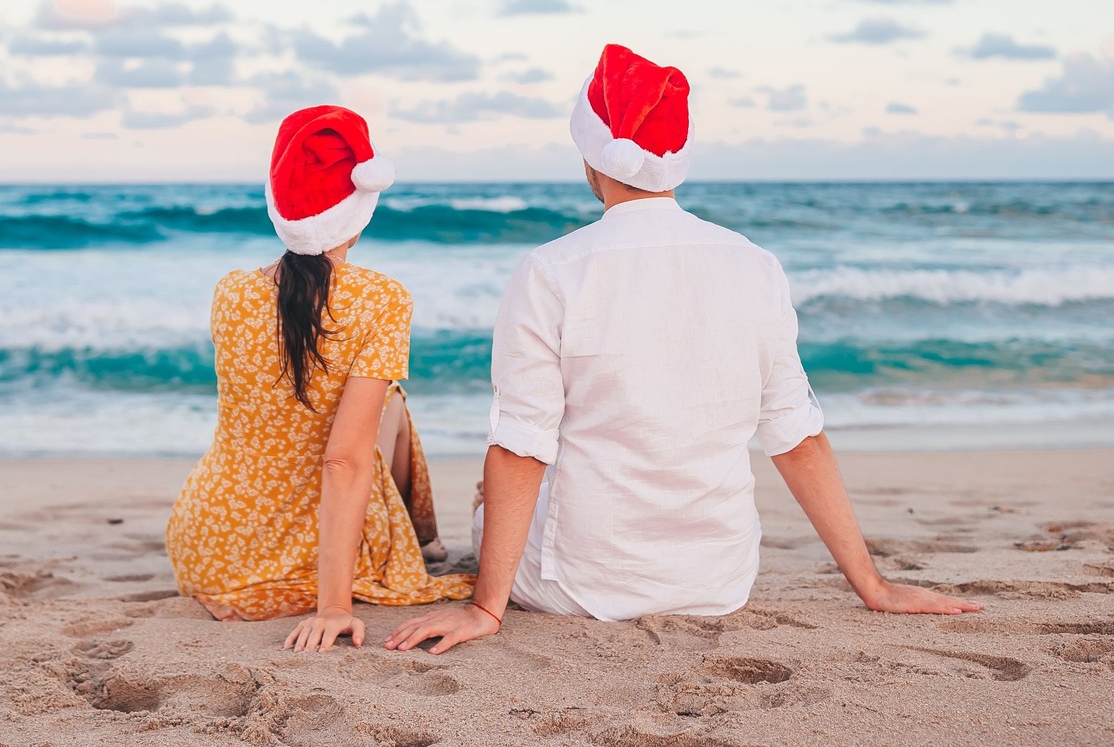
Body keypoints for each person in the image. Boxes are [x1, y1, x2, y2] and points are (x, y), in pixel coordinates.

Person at [385, 44, 980, 655]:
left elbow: (521, 447)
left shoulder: (552, 270)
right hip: (717, 580)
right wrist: (872, 586)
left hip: (583, 584)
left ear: (592, 158)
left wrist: (486, 608)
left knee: (493, 497)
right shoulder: (755, 266)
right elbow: (796, 438)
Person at [165, 105, 473, 651]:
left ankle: (420, 538)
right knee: (387, 404)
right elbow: (342, 459)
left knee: (388, 399)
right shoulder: (381, 299)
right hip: (289, 561)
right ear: (361, 207)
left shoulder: (230, 290)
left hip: (205, 551)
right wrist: (334, 607)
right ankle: (421, 539)